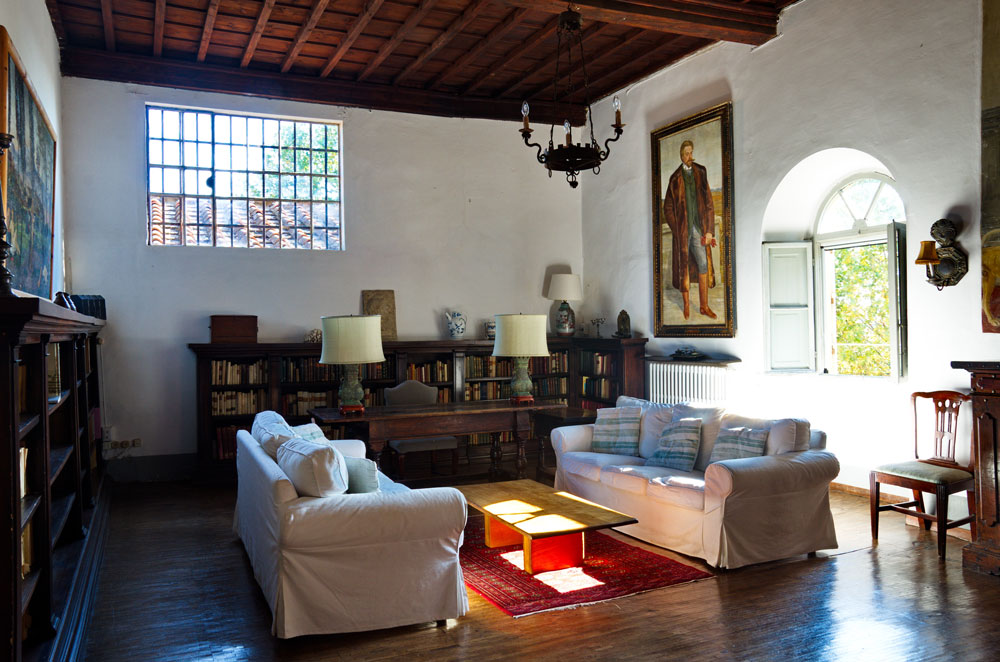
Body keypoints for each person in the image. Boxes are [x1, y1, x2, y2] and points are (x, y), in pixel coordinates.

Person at [662, 139, 717, 320]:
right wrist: (677, 229)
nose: (690, 156)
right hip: (683, 231)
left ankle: (704, 306)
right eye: (686, 153)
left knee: (703, 264)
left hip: (698, 230)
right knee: (683, 267)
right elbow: (668, 208)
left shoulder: (700, 172)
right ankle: (686, 305)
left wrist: (709, 230)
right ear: (681, 155)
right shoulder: (675, 178)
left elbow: (709, 202)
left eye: (691, 152)